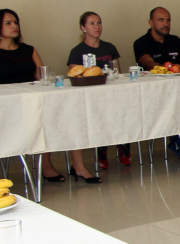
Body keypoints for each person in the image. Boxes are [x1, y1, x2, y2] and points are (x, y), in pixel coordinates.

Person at [0, 9, 69, 183]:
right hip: (5, 104)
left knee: (46, 116)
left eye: (16, 22)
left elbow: (41, 77)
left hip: (29, 101)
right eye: (8, 23)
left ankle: (46, 165)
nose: (14, 26)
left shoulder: (29, 50)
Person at [67, 11, 129, 171]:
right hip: (90, 97)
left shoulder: (109, 47)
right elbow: (75, 75)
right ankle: (102, 150)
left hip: (112, 94)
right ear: (83, 28)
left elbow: (117, 72)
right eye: (92, 24)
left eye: (99, 23)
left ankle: (123, 145)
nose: (97, 27)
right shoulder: (77, 51)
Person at [134, 7, 180, 158]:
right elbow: (148, 63)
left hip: (178, 90)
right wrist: (169, 68)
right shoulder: (141, 43)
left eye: (168, 20)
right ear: (151, 22)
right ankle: (179, 142)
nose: (165, 24)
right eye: (161, 20)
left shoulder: (175, 40)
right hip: (154, 93)